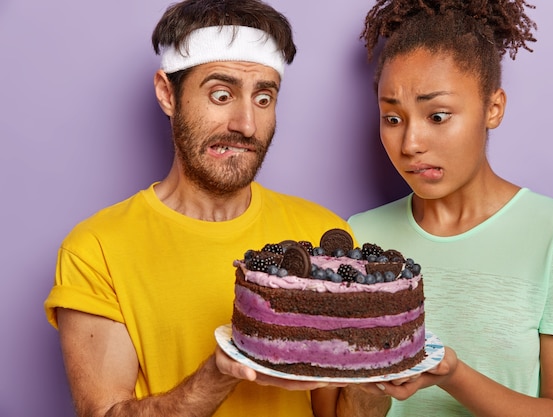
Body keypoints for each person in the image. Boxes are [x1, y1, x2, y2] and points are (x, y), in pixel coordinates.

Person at [43, 1, 352, 416]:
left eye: (264, 98)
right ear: (167, 93)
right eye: (221, 94)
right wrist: (222, 370)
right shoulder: (96, 249)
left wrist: (380, 385)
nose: (245, 123)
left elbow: (338, 412)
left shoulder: (321, 234)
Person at [312, 1, 553, 416]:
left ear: (493, 108)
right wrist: (371, 384)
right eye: (392, 118)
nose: (411, 143)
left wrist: (453, 375)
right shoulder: (359, 237)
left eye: (438, 115)